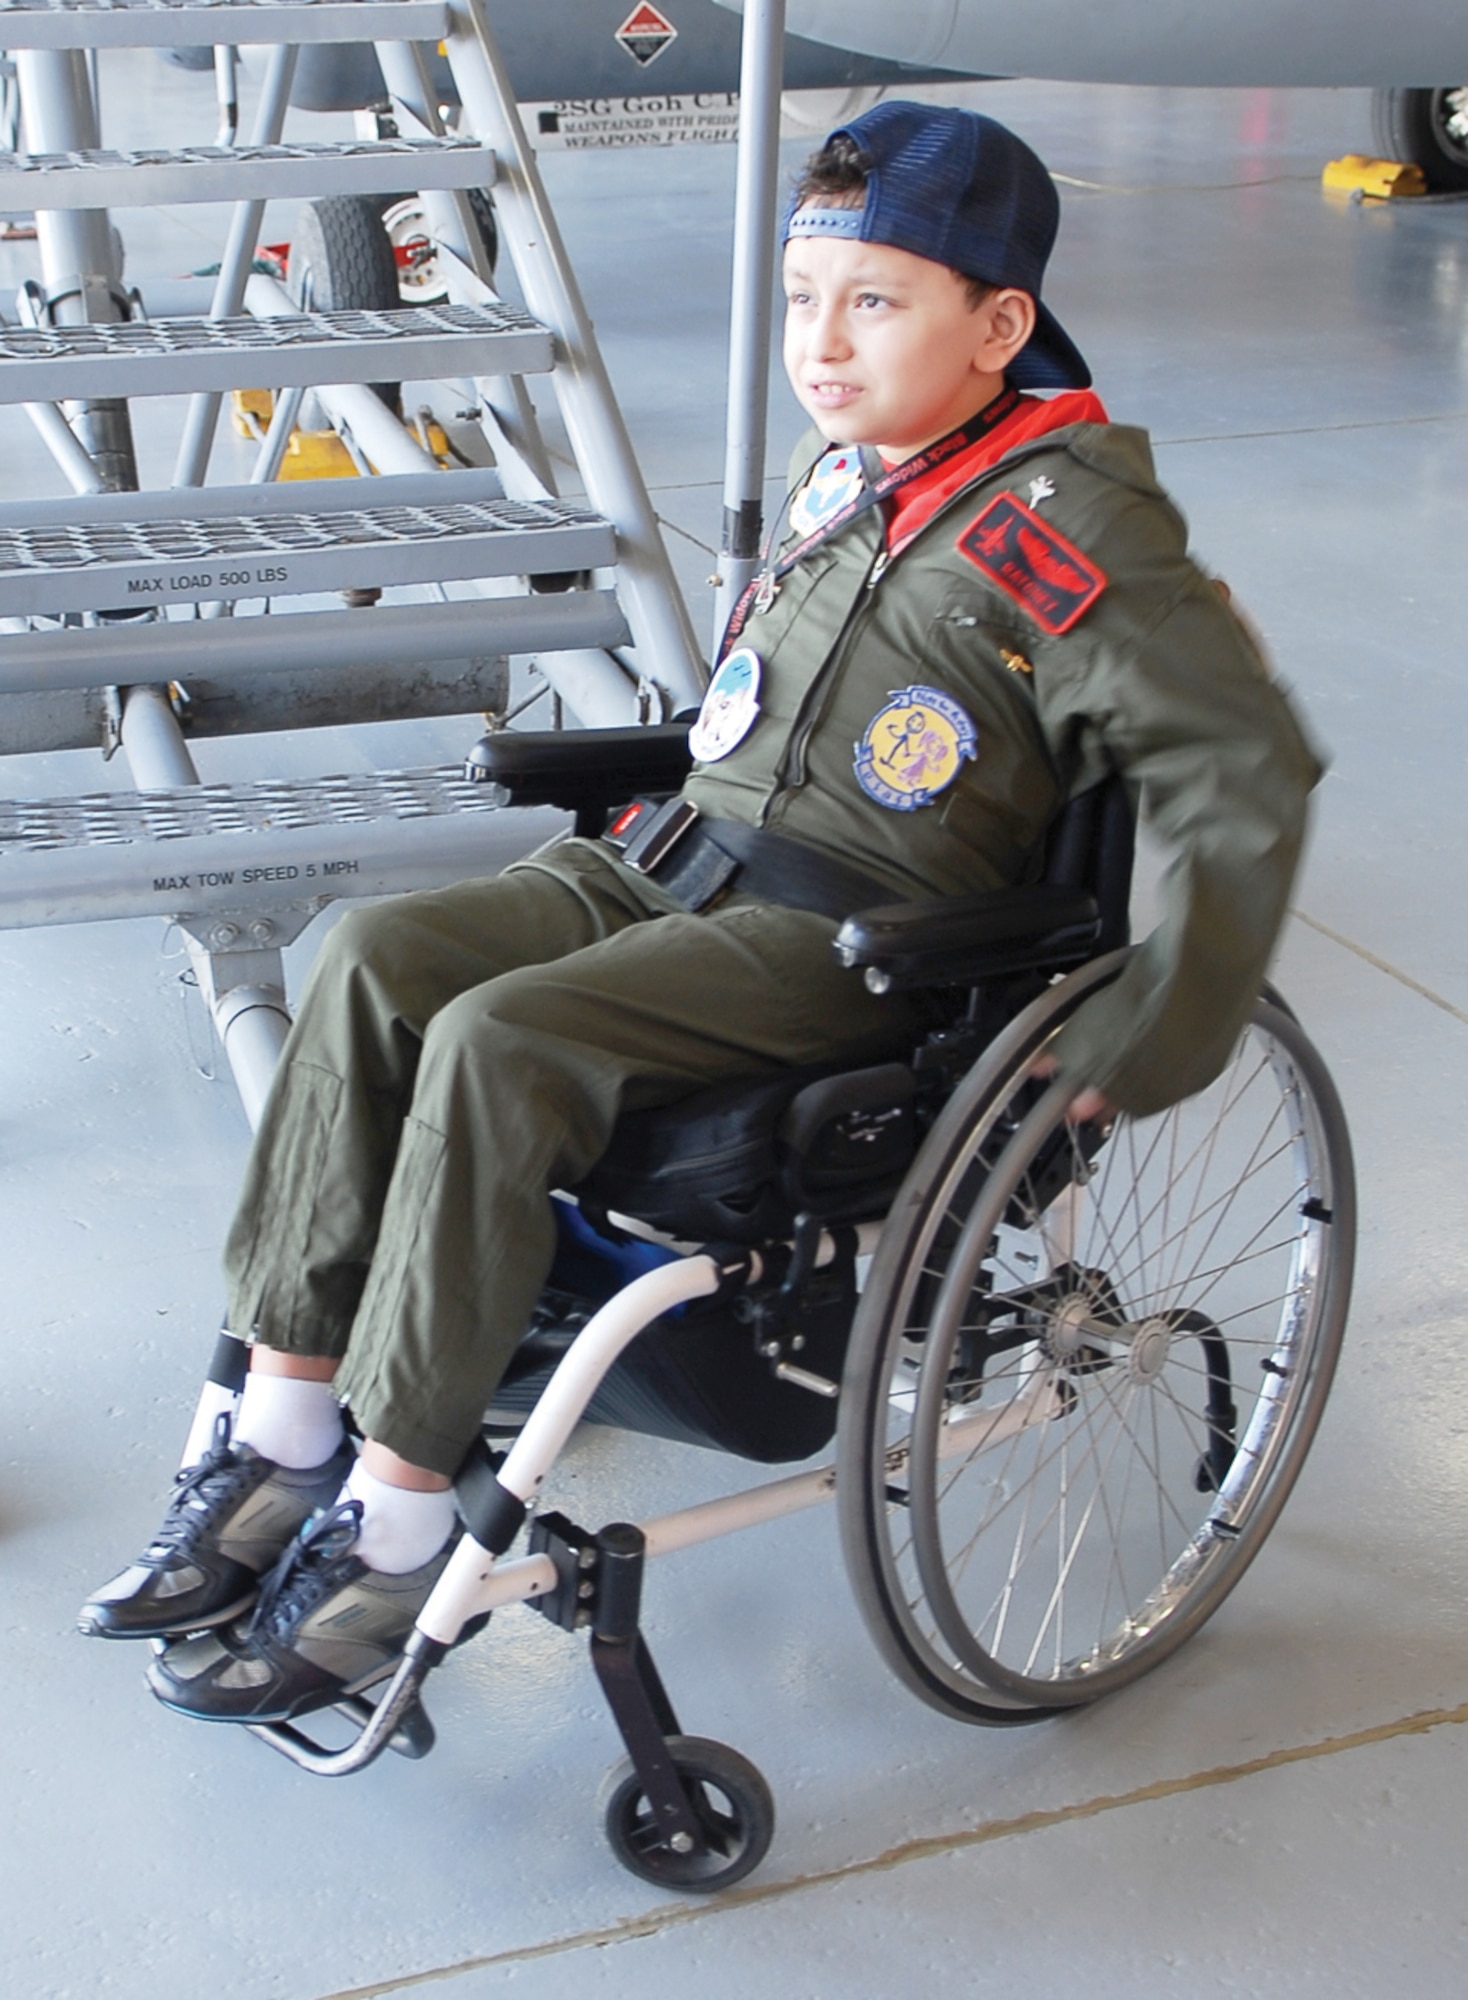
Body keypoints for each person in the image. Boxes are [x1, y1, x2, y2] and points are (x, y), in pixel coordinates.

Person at [78, 101, 1321, 1725]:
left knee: (499, 1045)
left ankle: (389, 1531)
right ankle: (283, 1432)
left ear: (998, 322)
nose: (821, 342)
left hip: (854, 934)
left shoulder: (1077, 523)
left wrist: (1163, 1015)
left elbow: (1249, 769)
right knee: (379, 961)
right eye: (807, 301)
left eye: (874, 302)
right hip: (675, 856)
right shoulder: (859, 470)